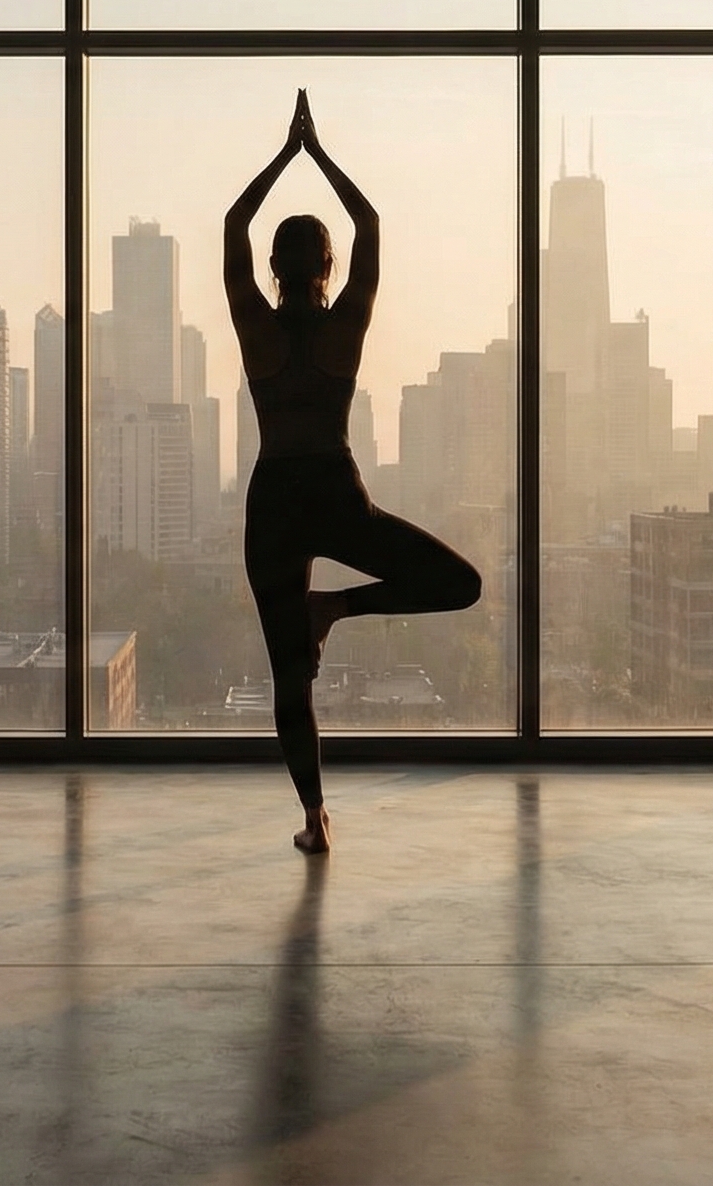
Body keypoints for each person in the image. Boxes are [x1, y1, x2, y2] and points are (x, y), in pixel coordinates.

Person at [226, 91, 482, 855]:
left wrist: (283, 155)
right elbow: (369, 223)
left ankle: (315, 819)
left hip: (275, 500)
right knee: (457, 583)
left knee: (287, 679)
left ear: (272, 267)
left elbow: (233, 225)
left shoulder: (255, 328)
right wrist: (319, 154)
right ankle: (335, 608)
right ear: (329, 266)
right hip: (336, 495)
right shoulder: (345, 327)